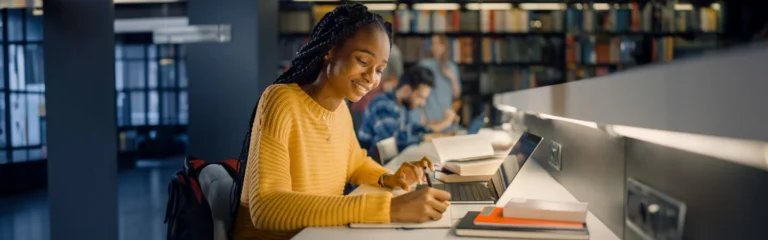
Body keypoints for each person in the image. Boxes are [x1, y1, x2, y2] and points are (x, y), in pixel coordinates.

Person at [233, 4, 451, 240]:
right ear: (330, 50)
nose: (371, 78)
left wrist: (389, 178)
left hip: (320, 234)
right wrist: (389, 209)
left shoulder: (341, 109)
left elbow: (355, 164)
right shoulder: (281, 100)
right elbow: (267, 207)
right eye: (362, 61)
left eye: (379, 69)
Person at [357, 66, 447, 157]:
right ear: (406, 89)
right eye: (420, 97)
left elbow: (409, 129)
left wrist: (431, 132)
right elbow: (391, 145)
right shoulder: (383, 105)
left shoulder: (401, 106)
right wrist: (423, 138)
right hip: (372, 165)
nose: (422, 103)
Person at [417, 34, 462, 132]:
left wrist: (452, 78)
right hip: (430, 116)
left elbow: (456, 95)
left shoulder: (452, 67)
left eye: (439, 44)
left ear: (445, 46)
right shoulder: (424, 65)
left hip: (446, 117)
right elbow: (417, 93)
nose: (436, 47)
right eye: (433, 44)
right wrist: (421, 115)